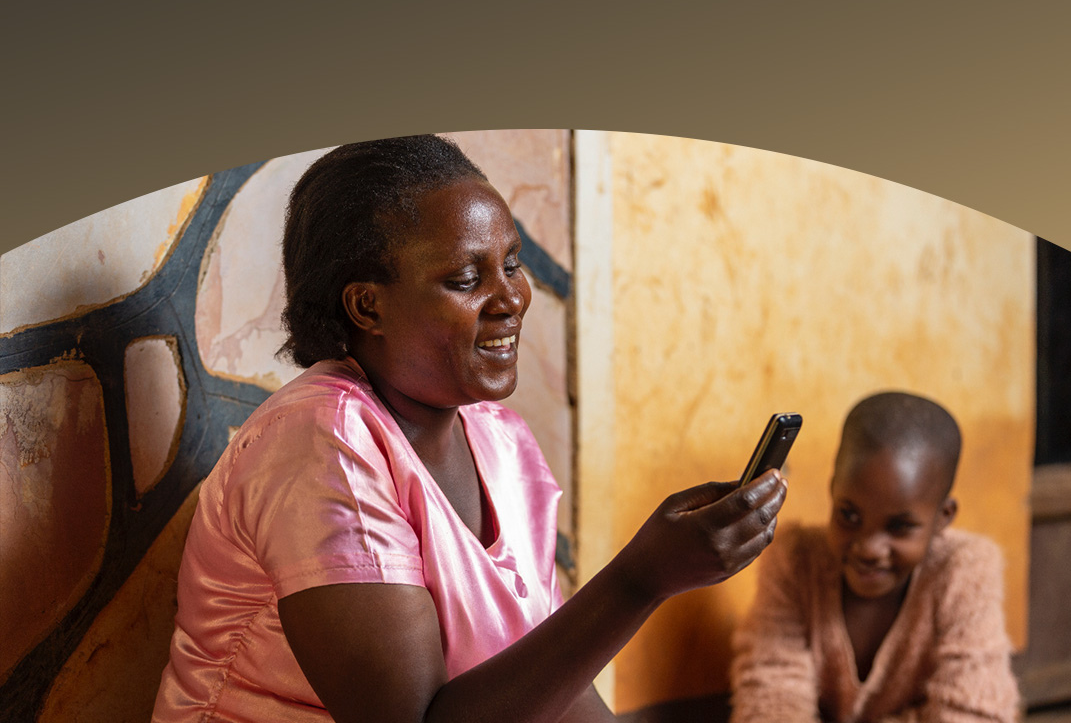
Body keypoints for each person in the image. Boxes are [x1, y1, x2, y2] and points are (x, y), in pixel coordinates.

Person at [153, 134, 787, 723]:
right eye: (465, 279)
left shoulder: (501, 443)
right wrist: (642, 580)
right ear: (367, 305)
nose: (510, 298)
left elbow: (552, 685)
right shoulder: (322, 442)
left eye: (511, 264)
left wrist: (659, 572)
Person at [729, 391, 1020, 723]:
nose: (869, 548)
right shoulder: (794, 561)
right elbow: (771, 698)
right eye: (849, 516)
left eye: (899, 526)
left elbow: (974, 714)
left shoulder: (965, 568)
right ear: (834, 489)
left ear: (943, 517)